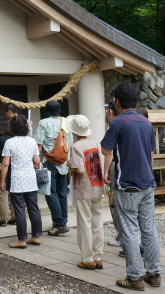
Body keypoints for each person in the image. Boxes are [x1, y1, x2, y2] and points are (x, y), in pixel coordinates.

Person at [101, 82, 161, 291]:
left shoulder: (117, 123)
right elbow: (151, 153)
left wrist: (111, 121)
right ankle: (154, 274)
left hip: (127, 184)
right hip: (148, 183)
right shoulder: (146, 123)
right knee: (149, 229)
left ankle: (134, 277)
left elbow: (105, 149)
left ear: (117, 102)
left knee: (128, 230)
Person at [67, 115, 105, 270]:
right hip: (97, 186)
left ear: (75, 131)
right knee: (97, 222)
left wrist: (71, 165)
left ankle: (88, 259)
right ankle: (98, 257)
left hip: (84, 188)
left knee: (85, 223)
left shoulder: (76, 146)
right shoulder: (93, 143)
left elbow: (81, 170)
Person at [1, 115, 42, 248]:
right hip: (30, 178)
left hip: (17, 179)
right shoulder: (32, 141)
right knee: (33, 208)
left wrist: (2, 180)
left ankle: (22, 239)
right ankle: (36, 236)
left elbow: (5, 164)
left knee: (19, 209)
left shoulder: (10, 142)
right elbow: (37, 161)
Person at [35, 100, 72, 236]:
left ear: (47, 111)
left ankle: (60, 223)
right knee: (62, 192)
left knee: (50, 193)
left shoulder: (43, 123)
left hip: (49, 161)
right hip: (64, 162)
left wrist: (35, 161)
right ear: (59, 110)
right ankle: (62, 221)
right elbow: (70, 142)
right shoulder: (65, 122)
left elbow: (39, 145)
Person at [103, 101, 121, 248]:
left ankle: (121, 234)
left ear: (110, 111)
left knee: (114, 200)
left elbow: (108, 152)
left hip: (115, 166)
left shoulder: (114, 126)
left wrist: (105, 171)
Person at [0, 120, 15, 226]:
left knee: (2, 195)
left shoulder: (1, 139)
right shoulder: (17, 139)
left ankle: (3, 219)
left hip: (2, 169)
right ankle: (14, 217)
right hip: (14, 169)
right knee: (14, 195)